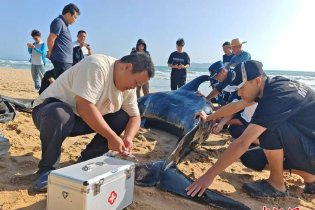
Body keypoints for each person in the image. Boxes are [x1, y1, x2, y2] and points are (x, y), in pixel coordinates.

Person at [186, 60, 315, 198]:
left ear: (257, 81)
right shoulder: (270, 85)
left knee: (267, 127)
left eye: (241, 88)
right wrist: (209, 118)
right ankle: (310, 177)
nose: (239, 93)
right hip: (306, 145)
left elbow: (242, 142)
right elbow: (237, 105)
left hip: (310, 149)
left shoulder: (276, 97)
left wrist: (208, 176)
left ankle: (276, 185)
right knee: (250, 158)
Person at [31, 53, 155, 192]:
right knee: (59, 113)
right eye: (136, 83)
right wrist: (111, 137)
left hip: (81, 119)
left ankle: (88, 160)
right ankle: (47, 169)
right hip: (48, 112)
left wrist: (128, 138)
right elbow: (84, 106)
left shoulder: (127, 89)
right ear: (127, 67)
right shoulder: (97, 65)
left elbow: (135, 117)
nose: (134, 88)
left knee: (122, 116)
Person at [47, 3, 80, 78]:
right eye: (75, 17)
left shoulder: (64, 24)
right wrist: (50, 52)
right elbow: (51, 39)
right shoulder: (59, 22)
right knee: (63, 86)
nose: (75, 20)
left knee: (64, 85)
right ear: (68, 14)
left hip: (65, 61)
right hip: (62, 60)